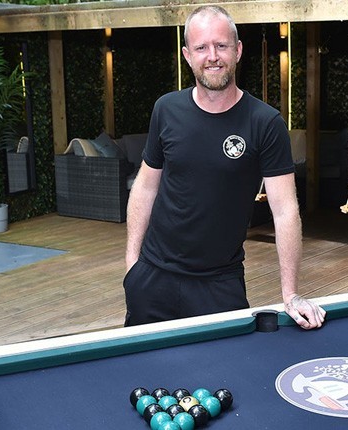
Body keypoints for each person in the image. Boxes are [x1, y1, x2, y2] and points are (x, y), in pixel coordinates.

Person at [124, 5, 325, 329]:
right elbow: (146, 186)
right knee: (145, 363)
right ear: (188, 55)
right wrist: (132, 266)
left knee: (225, 363)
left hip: (219, 284)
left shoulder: (265, 123)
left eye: (221, 45)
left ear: (238, 50)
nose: (212, 56)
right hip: (153, 279)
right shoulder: (166, 109)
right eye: (202, 47)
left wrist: (290, 294)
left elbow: (285, 210)